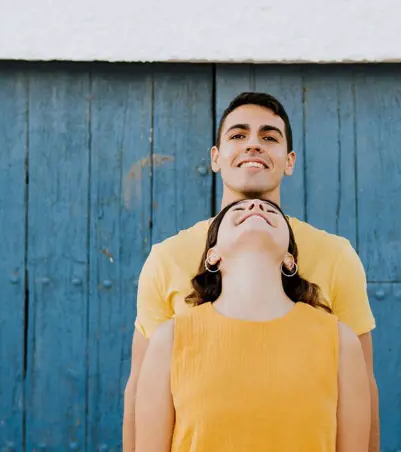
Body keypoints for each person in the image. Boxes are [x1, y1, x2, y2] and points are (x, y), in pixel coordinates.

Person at [123, 92, 380, 451]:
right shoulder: (166, 258)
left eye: (270, 137)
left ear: (289, 161)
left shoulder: (337, 256)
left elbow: (362, 385)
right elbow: (139, 387)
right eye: (238, 135)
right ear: (216, 158)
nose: (254, 145)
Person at [134, 197, 371, 451]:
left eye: (270, 211)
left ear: (290, 259)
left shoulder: (340, 341)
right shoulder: (169, 340)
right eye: (238, 210)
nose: (256, 207)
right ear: (212, 255)